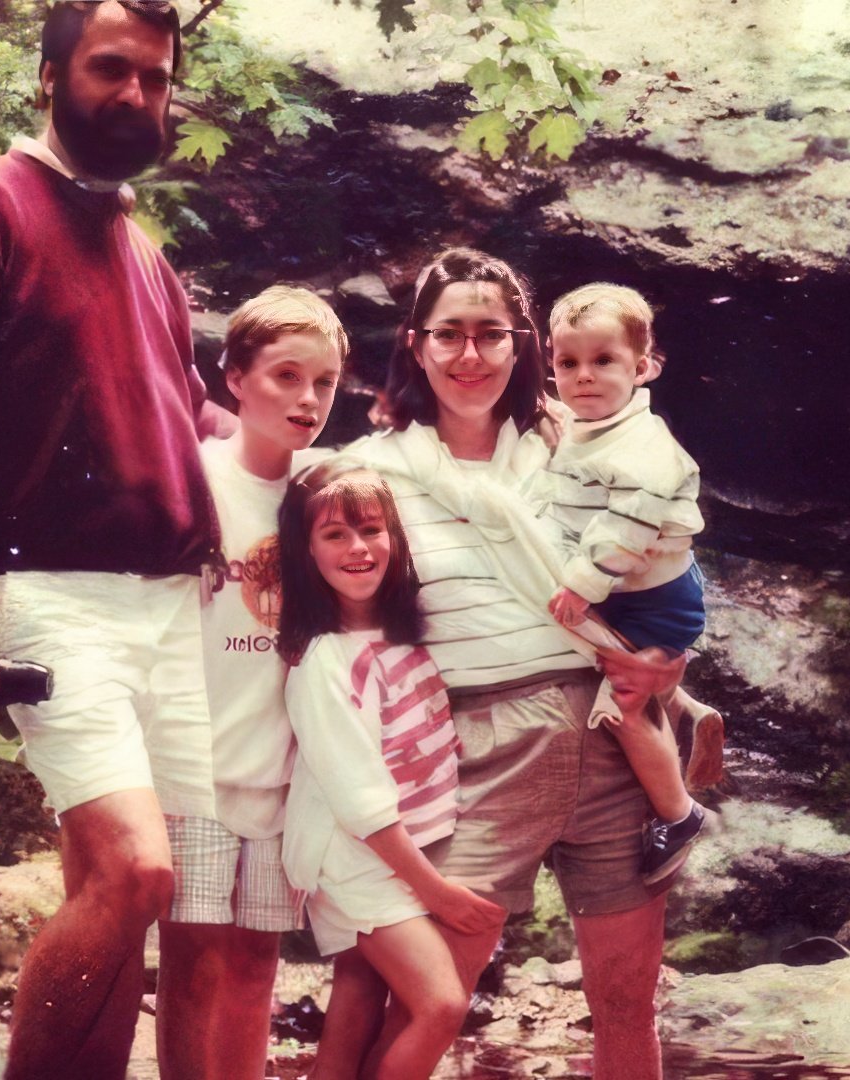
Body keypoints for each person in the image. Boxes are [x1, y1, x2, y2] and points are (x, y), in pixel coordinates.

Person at [0, 3, 226, 1075]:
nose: (136, 95)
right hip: (45, 594)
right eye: (111, 70)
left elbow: (201, 419)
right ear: (48, 75)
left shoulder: (142, 254)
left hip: (171, 608)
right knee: (135, 876)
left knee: (114, 890)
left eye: (155, 79)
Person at [333, 248, 688, 1078]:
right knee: (428, 1003)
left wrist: (670, 654)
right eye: (448, 335)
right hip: (474, 746)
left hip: (615, 730)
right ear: (415, 344)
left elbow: (666, 550)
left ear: (521, 342)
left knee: (627, 1003)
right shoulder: (374, 472)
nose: (469, 357)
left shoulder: (583, 443)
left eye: (490, 335)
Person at [406, 282, 724, 885]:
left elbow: (626, 526)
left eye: (604, 361)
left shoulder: (644, 445)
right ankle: (686, 709)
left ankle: (677, 813)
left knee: (625, 703)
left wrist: (580, 585)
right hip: (634, 588)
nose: (584, 377)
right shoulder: (585, 422)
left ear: (645, 366)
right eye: (569, 363)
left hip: (650, 595)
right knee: (628, 669)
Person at [276, 463, 506, 1080]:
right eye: (334, 535)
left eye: (371, 530)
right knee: (440, 1004)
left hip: (394, 853)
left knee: (359, 997)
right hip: (354, 859)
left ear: (396, 539)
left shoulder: (403, 635)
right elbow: (361, 801)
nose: (357, 548)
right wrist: (436, 892)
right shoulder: (325, 661)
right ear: (305, 553)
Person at [172, 286, 346, 1079]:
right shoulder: (192, 480)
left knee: (255, 969)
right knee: (192, 967)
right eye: (285, 377)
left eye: (324, 383)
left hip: (287, 780)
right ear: (233, 377)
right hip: (196, 770)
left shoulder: (330, 494)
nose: (307, 400)